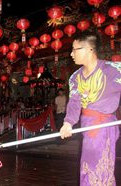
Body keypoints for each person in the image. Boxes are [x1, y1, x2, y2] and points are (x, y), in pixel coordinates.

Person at [60, 31, 121, 186]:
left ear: (89, 50)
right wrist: (68, 123)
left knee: (101, 169)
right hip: (87, 126)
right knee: (87, 168)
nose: (71, 54)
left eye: (75, 49)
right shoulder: (75, 77)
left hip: (104, 126)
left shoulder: (113, 69)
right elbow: (74, 103)